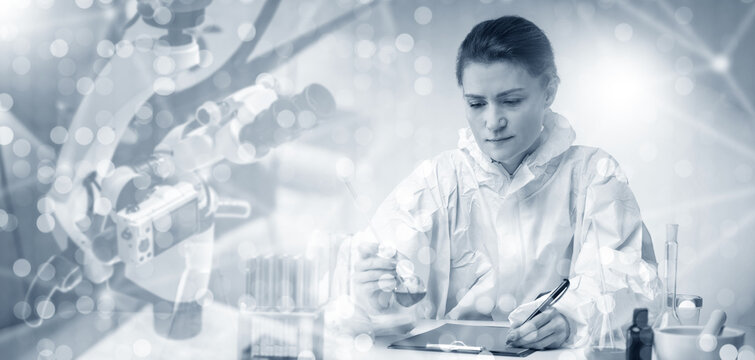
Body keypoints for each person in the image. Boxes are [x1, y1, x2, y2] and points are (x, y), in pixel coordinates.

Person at [341, 15, 662, 350]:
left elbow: (632, 286)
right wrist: (371, 298)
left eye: (511, 101)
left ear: (549, 91)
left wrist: (570, 318)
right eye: (476, 104)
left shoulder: (594, 176)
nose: (492, 122)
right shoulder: (437, 181)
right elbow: (374, 305)